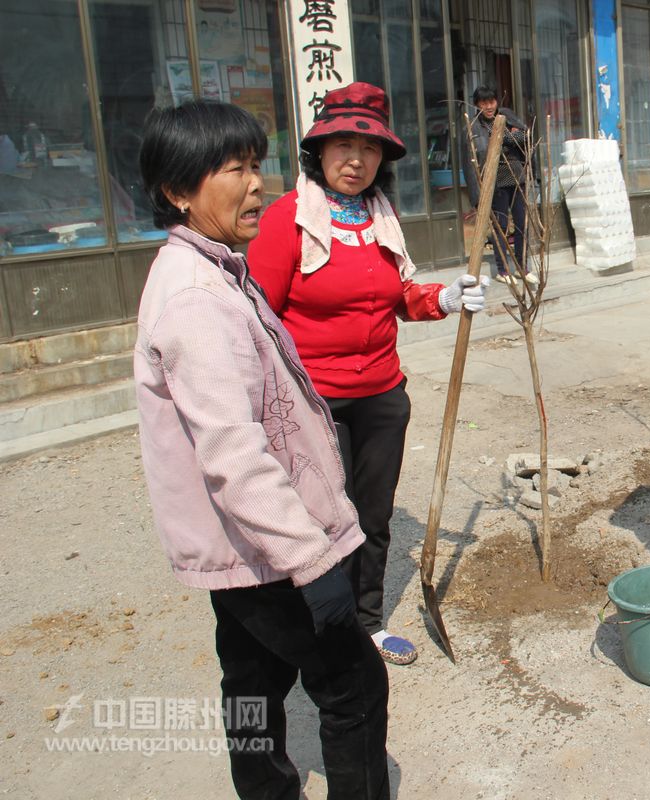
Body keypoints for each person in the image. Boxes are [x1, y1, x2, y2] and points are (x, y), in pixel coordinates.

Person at [135, 100, 389, 798]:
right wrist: (311, 562)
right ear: (178, 192)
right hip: (269, 548)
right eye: (233, 170)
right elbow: (234, 455)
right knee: (354, 685)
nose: (256, 185)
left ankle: (265, 789)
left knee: (249, 681)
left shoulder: (210, 268)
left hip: (239, 549)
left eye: (256, 165)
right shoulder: (196, 300)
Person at [248, 82, 488, 666]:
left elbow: (398, 295)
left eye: (370, 149)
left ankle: (366, 623)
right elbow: (257, 316)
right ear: (318, 150)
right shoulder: (287, 220)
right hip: (312, 401)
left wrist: (444, 297)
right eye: (342, 145)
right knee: (320, 517)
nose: (356, 160)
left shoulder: (380, 218)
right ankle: (320, 628)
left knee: (373, 515)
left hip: (382, 394)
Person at [462, 85, 535, 284]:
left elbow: (525, 137)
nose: (489, 106)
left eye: (492, 101)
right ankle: (503, 270)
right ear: (477, 104)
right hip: (494, 181)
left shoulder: (506, 116)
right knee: (500, 226)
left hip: (516, 175)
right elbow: (470, 163)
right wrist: (476, 196)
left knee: (522, 223)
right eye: (484, 102)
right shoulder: (473, 127)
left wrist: (505, 137)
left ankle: (522, 266)